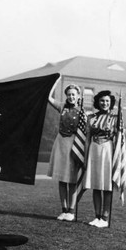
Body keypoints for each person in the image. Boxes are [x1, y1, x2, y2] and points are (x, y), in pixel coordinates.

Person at [47, 82, 82, 222]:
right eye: (69, 94)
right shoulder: (62, 106)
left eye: (73, 94)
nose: (71, 97)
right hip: (61, 144)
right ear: (66, 96)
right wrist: (53, 82)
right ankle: (64, 209)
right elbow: (48, 98)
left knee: (72, 180)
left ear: (78, 96)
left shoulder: (83, 111)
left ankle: (71, 211)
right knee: (62, 179)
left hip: (73, 145)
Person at [84, 90, 117, 228]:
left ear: (111, 103)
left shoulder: (115, 118)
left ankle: (105, 217)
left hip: (108, 149)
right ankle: (97, 216)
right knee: (96, 184)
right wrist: (85, 157)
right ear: (98, 102)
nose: (104, 103)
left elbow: (119, 139)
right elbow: (87, 139)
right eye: (102, 101)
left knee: (107, 186)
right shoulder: (91, 117)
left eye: (107, 101)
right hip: (94, 149)